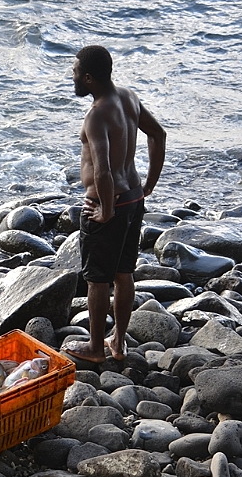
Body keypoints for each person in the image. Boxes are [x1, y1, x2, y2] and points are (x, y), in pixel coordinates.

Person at [62, 45, 166, 363]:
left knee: (97, 280)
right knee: (123, 274)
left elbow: (103, 170)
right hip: (133, 198)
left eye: (76, 71)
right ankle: (118, 342)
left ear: (90, 78)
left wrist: (105, 210)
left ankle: (95, 348)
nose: (73, 76)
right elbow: (158, 134)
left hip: (109, 206)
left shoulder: (96, 115)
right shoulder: (128, 97)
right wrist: (148, 184)